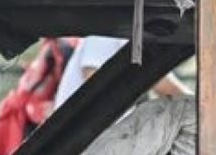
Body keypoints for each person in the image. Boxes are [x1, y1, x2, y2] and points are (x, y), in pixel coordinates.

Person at [52, 36, 189, 110]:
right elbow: (93, 78)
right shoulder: (107, 31)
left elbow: (164, 85)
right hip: (78, 143)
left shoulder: (139, 41)